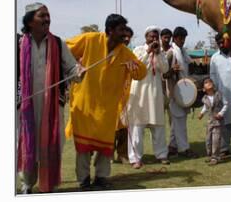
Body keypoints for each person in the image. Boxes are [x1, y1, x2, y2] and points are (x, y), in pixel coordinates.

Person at [66, 14, 147, 190]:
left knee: (105, 146)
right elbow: (64, 50)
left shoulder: (124, 52)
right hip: (85, 103)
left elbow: (141, 73)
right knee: (84, 146)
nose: (125, 35)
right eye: (121, 30)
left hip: (107, 107)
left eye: (126, 30)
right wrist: (75, 65)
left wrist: (135, 68)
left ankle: (101, 178)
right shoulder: (90, 39)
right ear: (109, 30)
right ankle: (84, 180)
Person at [16, 3, 84, 194]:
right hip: (24, 106)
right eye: (42, 16)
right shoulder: (18, 44)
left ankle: (48, 186)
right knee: (25, 142)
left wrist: (79, 71)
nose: (47, 19)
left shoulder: (58, 43)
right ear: (30, 21)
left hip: (52, 106)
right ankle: (27, 184)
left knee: (51, 144)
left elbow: (71, 69)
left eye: (48, 16)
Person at [127, 26, 170, 168]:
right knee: (137, 127)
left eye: (155, 37)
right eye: (151, 36)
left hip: (155, 93)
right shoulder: (138, 50)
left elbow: (165, 69)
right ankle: (135, 158)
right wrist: (148, 51)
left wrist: (157, 54)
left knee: (158, 126)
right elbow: (137, 65)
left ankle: (162, 154)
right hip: (139, 94)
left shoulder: (161, 52)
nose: (153, 39)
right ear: (146, 37)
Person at [165, 26, 198, 158]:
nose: (182, 40)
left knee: (178, 120)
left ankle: (172, 146)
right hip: (175, 91)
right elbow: (164, 75)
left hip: (184, 90)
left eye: (184, 38)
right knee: (180, 121)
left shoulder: (183, 52)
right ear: (175, 38)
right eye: (180, 38)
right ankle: (183, 149)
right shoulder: (171, 53)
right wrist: (172, 70)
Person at [209, 32, 231, 159]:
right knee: (224, 124)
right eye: (219, 43)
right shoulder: (214, 58)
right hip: (222, 96)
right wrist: (217, 94)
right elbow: (213, 76)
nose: (221, 45)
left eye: (223, 42)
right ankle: (224, 149)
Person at [113, 26, 135, 164]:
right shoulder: (110, 51)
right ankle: (107, 154)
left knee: (124, 125)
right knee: (110, 127)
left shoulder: (130, 53)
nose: (126, 39)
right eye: (124, 36)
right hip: (110, 95)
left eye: (129, 37)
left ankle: (122, 154)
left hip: (126, 95)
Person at [198, 78, 228, 165]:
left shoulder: (219, 95)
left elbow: (226, 104)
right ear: (204, 88)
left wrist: (221, 113)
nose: (208, 83)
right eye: (206, 83)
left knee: (216, 139)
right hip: (210, 121)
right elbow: (206, 107)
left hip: (218, 121)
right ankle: (210, 155)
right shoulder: (205, 98)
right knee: (208, 139)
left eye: (210, 82)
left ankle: (215, 157)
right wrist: (201, 113)